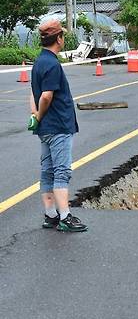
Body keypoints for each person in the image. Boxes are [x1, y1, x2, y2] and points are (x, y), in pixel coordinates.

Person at [29, 19, 87, 232]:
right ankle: (65, 216)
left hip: (44, 129)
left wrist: (35, 116)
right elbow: (46, 96)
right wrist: (41, 113)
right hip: (58, 126)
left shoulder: (38, 62)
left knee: (47, 171)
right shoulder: (52, 64)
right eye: (62, 36)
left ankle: (50, 214)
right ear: (59, 39)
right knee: (61, 171)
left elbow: (33, 93)